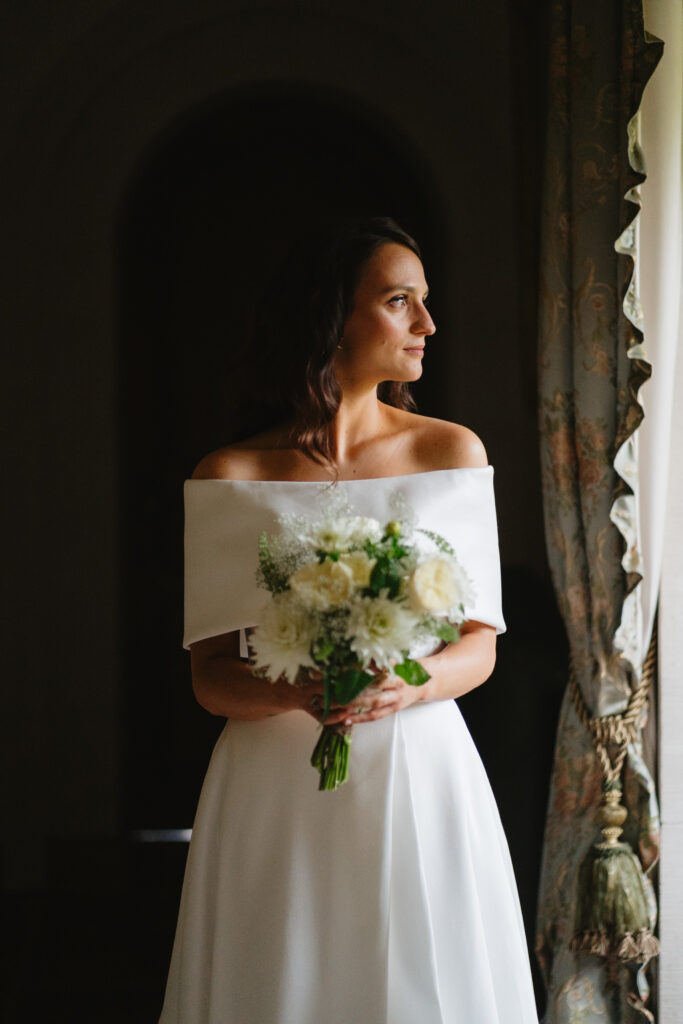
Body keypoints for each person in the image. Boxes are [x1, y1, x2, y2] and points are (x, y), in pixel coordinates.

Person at [159, 216, 539, 1023]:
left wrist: (402, 688)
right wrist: (301, 692)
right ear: (329, 314)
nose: (427, 325)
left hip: (422, 763)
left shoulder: (452, 454)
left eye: (424, 303)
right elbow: (211, 679)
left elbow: (478, 647)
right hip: (273, 785)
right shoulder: (229, 476)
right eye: (400, 301)